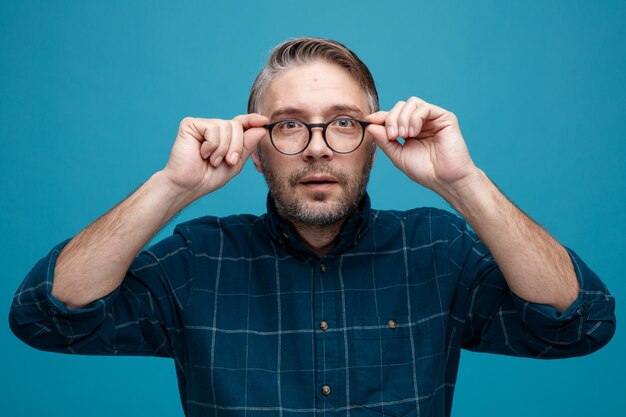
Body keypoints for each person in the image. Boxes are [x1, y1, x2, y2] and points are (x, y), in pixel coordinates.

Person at [9, 37, 616, 417]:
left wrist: (462, 183)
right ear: (259, 148)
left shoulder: (437, 249)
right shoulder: (200, 258)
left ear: (375, 141)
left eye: (344, 123)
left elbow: (579, 324)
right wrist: (172, 187)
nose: (318, 149)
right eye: (291, 125)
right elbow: (48, 317)